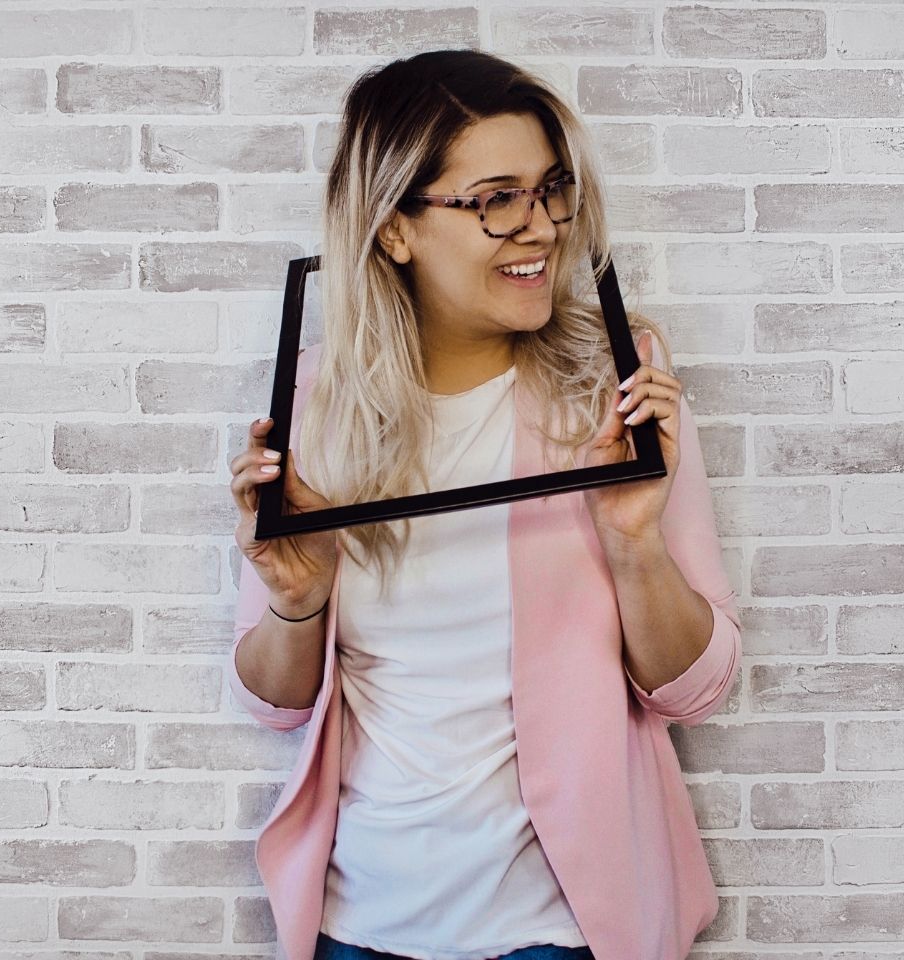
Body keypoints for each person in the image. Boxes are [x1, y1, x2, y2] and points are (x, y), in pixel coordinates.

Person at [227, 50, 742, 960]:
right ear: (394, 229)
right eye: (495, 199)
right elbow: (277, 702)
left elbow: (695, 689)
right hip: (358, 926)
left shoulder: (616, 388)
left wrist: (633, 545)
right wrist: (296, 601)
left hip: (565, 929)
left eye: (550, 191)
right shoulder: (315, 408)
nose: (538, 228)